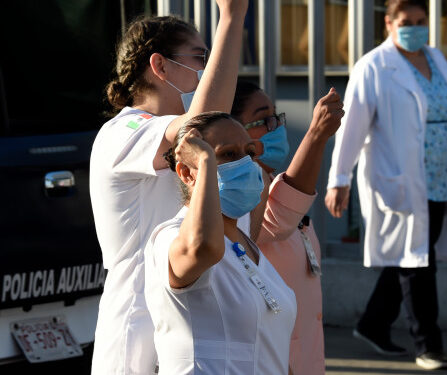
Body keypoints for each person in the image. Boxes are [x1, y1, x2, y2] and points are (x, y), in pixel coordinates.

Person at [324, 0, 447, 370]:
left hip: (441, 176)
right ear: (388, 23)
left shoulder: (436, 59)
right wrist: (339, 179)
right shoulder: (373, 67)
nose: (414, 28)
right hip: (401, 179)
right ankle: (428, 345)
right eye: (406, 22)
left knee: (414, 255)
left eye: (420, 21)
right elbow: (351, 127)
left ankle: (373, 324)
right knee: (419, 262)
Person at [89, 1, 247, 373]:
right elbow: (203, 126)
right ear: (159, 65)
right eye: (198, 59)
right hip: (137, 333)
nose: (206, 72)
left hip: (180, 324)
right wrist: (232, 16)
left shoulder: (171, 132)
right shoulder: (122, 131)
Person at [145, 112, 296, 374]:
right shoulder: (171, 236)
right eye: (227, 154)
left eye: (249, 152)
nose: (246, 163)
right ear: (186, 173)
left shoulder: (245, 244)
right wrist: (204, 161)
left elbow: (271, 348)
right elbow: (205, 248)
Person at [231, 81, 343, 375]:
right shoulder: (238, 201)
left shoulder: (272, 182)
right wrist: (316, 135)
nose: (275, 126)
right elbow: (278, 218)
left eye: (276, 117)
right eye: (263, 119)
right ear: (231, 131)